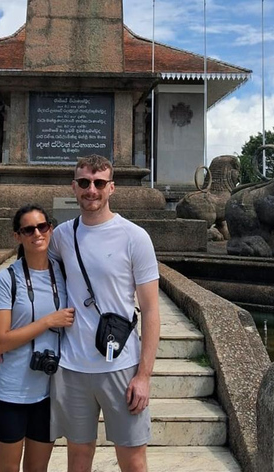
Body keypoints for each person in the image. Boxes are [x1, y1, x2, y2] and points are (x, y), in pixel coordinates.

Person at [48, 155, 161, 472]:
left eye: (99, 183)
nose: (91, 190)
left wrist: (144, 376)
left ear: (111, 188)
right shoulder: (62, 237)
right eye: (84, 182)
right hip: (72, 367)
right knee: (78, 457)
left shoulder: (134, 237)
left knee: (133, 459)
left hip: (121, 367)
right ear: (74, 187)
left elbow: (151, 310)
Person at [0, 204, 75, 472]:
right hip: (10, 390)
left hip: (48, 391)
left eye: (42, 226)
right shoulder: (7, 279)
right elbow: (1, 340)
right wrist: (49, 321)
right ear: (18, 236)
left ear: (51, 229)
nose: (37, 233)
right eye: (28, 229)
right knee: (9, 468)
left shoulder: (64, 273)